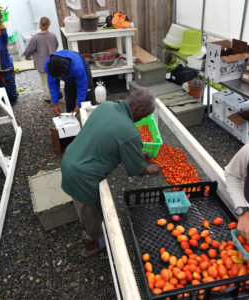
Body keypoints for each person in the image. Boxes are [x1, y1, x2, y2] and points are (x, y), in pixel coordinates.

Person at [61, 89, 161, 256]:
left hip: (70, 159)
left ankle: (85, 224)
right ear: (141, 111)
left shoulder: (105, 106)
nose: (141, 120)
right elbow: (137, 170)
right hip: (82, 177)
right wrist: (149, 169)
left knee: (81, 204)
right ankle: (90, 244)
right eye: (144, 116)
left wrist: (135, 152)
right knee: (92, 213)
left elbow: (108, 138)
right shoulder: (130, 132)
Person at [45, 49, 95, 116]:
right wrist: (55, 104)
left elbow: (82, 86)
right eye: (57, 77)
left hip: (79, 61)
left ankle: (92, 116)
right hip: (66, 67)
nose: (60, 79)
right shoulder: (48, 66)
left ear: (64, 70)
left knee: (88, 94)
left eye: (60, 77)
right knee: (69, 93)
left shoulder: (78, 67)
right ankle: (70, 117)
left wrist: (79, 104)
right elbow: (52, 84)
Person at [24, 17, 59, 103]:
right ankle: (56, 95)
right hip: (53, 62)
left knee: (45, 81)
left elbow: (29, 49)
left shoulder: (35, 38)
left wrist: (27, 56)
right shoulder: (53, 36)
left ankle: (48, 98)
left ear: (40, 24)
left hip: (42, 64)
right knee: (54, 80)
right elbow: (56, 45)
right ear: (49, 24)